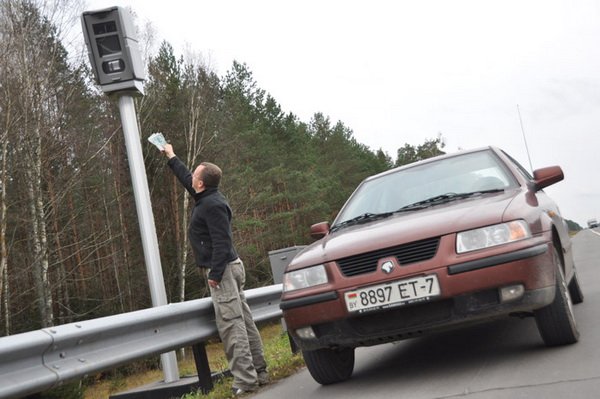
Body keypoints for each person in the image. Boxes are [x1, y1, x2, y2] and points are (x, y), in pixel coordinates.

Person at [162, 143, 269, 395]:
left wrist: (215, 275)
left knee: (232, 325)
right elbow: (188, 179)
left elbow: (223, 242)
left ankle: (245, 380)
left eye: (196, 176)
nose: (192, 179)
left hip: (223, 271)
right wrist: (171, 156)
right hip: (228, 269)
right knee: (242, 320)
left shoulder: (213, 206)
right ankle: (259, 372)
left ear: (202, 184)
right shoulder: (206, 196)